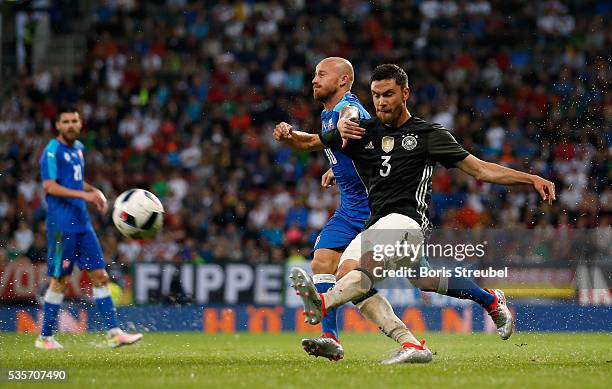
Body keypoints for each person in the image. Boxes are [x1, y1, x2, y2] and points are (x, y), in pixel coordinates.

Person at [290, 64, 557, 364]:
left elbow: (481, 170)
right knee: (405, 279)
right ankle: (426, 337)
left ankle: (322, 303)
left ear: (405, 93)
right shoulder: (366, 133)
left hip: (408, 224)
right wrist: (320, 156)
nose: (381, 102)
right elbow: (314, 141)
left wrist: (530, 178)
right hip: (376, 224)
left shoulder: (428, 134)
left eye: (388, 94)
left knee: (360, 274)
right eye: (376, 95)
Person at [274, 57, 422, 361]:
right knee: (322, 262)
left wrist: (343, 125)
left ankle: (488, 300)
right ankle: (330, 337)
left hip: (375, 209)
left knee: (428, 281)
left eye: (321, 74)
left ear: (343, 81)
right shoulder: (328, 113)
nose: (314, 80)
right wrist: (334, 168)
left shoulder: (348, 109)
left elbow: (355, 125)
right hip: (349, 208)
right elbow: (333, 146)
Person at [36, 106, 143, 349]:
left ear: (80, 124)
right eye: (66, 121)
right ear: (58, 126)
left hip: (82, 223)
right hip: (62, 224)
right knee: (60, 280)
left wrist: (92, 190)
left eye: (75, 121)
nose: (71, 125)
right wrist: (83, 196)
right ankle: (45, 338)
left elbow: (74, 179)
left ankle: (114, 333)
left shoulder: (78, 149)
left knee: (100, 276)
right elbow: (50, 186)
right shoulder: (52, 151)